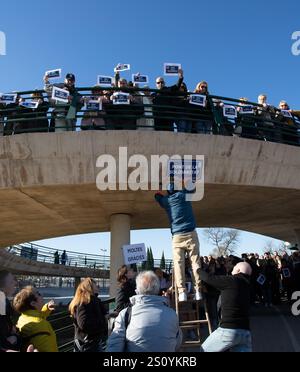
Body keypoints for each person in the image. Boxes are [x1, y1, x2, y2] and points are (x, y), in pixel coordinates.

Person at [106, 270, 182, 352]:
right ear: (157, 290)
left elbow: (114, 346)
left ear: (137, 291)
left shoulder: (125, 314)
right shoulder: (172, 314)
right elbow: (177, 342)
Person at [155, 184, 202, 302]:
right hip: (191, 233)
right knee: (195, 263)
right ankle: (198, 291)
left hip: (177, 236)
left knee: (178, 264)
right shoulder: (183, 195)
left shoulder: (166, 201)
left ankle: (182, 293)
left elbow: (157, 196)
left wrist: (159, 188)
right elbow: (192, 187)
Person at [198, 262, 253, 352]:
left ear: (238, 270)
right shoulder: (248, 285)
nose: (233, 268)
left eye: (234, 266)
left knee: (204, 350)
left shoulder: (232, 280)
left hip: (229, 330)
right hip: (245, 332)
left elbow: (209, 278)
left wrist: (197, 269)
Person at [13, 286, 58, 352]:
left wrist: (47, 308)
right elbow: (48, 348)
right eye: (38, 294)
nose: (41, 295)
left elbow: (38, 315)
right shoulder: (40, 324)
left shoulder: (23, 317)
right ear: (33, 303)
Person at [69, 277, 107, 352]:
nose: (98, 286)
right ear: (89, 287)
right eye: (95, 284)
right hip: (87, 344)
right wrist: (104, 319)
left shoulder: (93, 300)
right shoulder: (83, 302)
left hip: (93, 342)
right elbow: (84, 324)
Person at [0, 271, 21, 352]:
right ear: (2, 288)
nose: (15, 283)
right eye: (12, 281)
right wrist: (13, 338)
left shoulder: (4, 301)